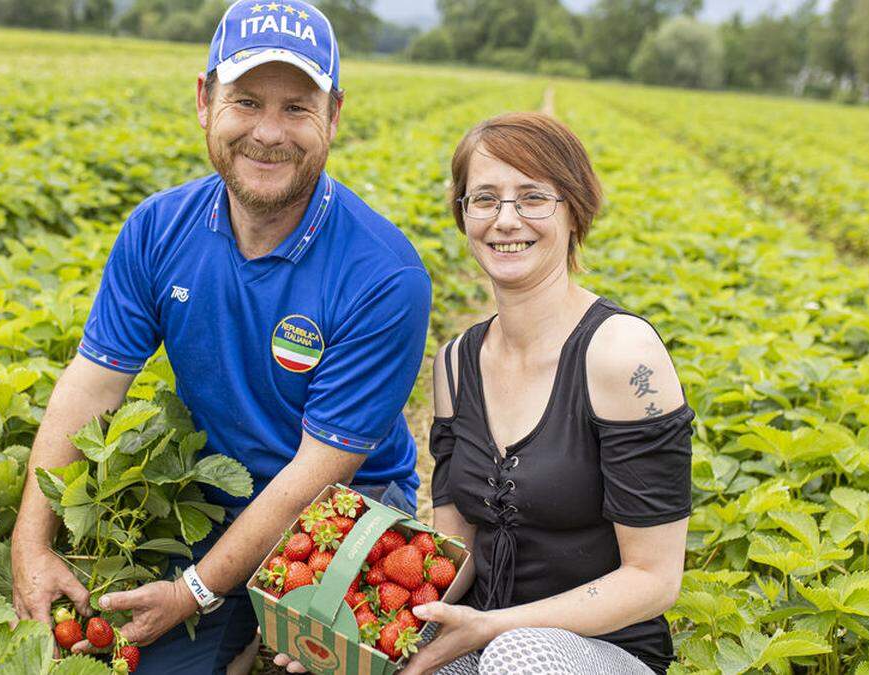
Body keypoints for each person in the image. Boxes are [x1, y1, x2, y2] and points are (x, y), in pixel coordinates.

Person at [9, 1, 432, 672]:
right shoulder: (157, 229)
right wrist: (30, 544)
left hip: (337, 518)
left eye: (298, 107)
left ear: (335, 115)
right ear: (205, 101)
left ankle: (256, 632)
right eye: (246, 101)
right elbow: (90, 386)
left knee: (332, 656)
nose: (268, 132)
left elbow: (315, 474)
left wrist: (194, 590)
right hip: (206, 494)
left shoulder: (384, 275)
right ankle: (239, 636)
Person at [275, 111, 692, 675]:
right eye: (485, 199)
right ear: (463, 213)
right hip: (479, 634)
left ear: (575, 211)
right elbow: (454, 554)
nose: (506, 220)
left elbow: (654, 580)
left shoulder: (621, 355)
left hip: (597, 651)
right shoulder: (454, 364)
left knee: (517, 657)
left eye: (532, 198)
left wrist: (496, 628)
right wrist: (354, 627)